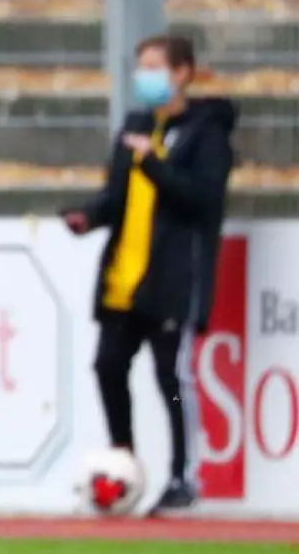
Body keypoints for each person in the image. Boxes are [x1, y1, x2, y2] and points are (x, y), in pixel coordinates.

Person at [61, 34, 236, 516]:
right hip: (124, 281)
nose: (145, 76)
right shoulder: (136, 126)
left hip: (173, 281)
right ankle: (124, 465)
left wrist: (152, 162)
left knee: (171, 376)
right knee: (108, 366)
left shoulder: (206, 133)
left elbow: (202, 199)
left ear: (183, 72)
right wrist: (88, 216)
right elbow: (116, 197)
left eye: (155, 66)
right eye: (142, 66)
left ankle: (184, 477)